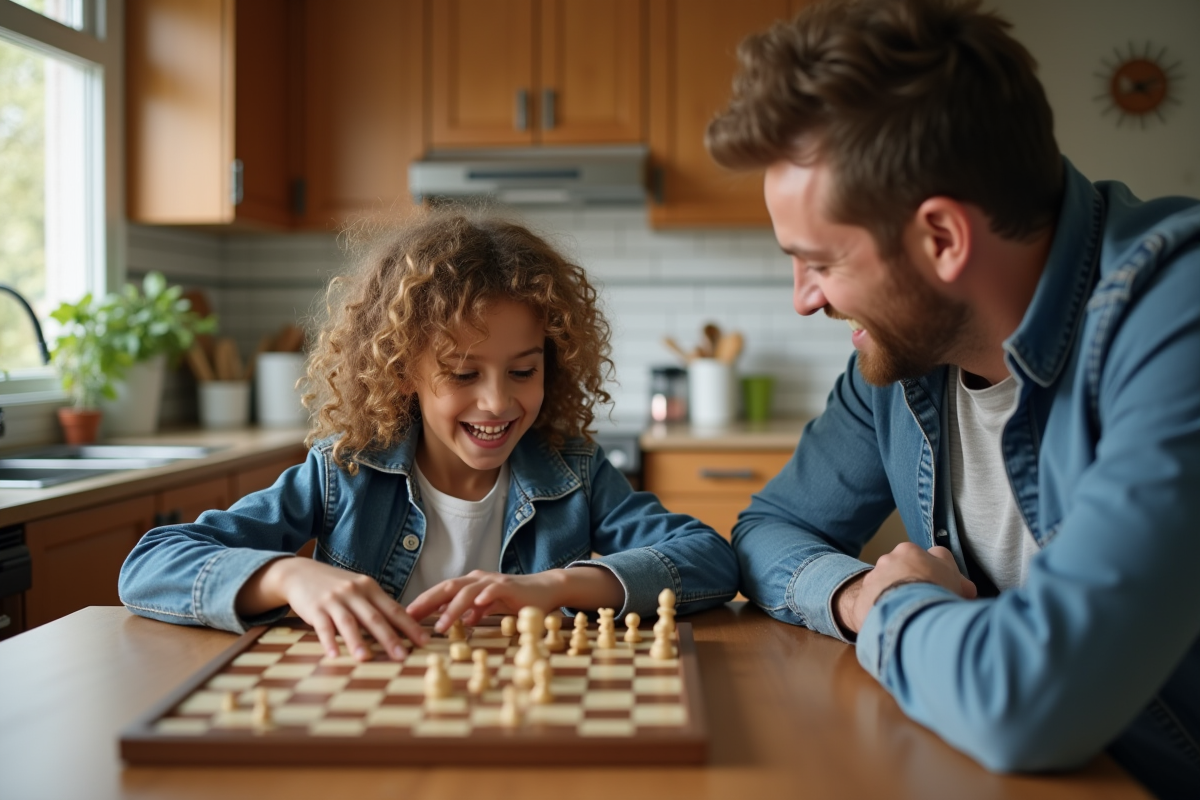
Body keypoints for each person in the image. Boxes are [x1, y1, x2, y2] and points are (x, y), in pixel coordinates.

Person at [705, 0, 1200, 796]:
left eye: (818, 262)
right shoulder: (905, 358)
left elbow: (1034, 704)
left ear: (941, 239)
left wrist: (898, 610)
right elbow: (770, 529)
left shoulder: (1177, 318)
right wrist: (860, 594)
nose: (803, 300)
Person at [119, 208, 738, 662]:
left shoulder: (573, 471)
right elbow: (150, 565)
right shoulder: (343, 473)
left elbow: (709, 558)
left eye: (523, 370)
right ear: (401, 371)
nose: (497, 401)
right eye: (463, 373)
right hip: (371, 719)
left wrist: (553, 586)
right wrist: (288, 577)